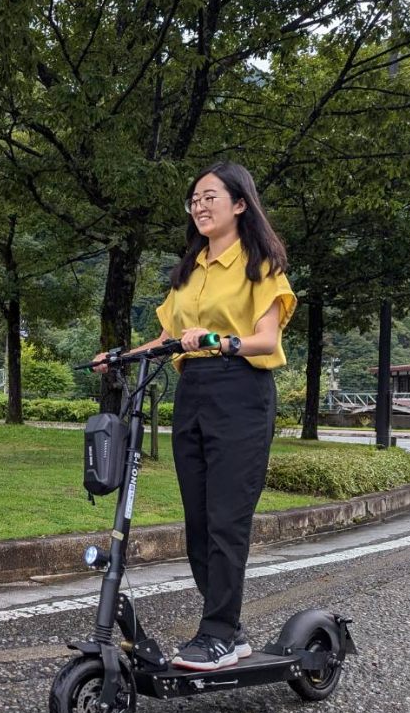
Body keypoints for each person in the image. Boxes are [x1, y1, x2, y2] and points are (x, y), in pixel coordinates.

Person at [93, 161, 295, 671]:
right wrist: (121, 356)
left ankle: (221, 632)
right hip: (193, 391)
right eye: (195, 200)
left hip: (241, 389)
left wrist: (222, 340)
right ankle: (229, 627)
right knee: (200, 523)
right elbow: (169, 338)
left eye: (210, 197)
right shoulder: (189, 269)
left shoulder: (260, 266)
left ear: (240, 204)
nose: (200, 206)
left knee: (228, 520)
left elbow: (267, 340)